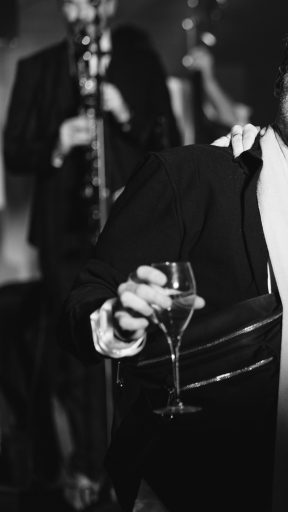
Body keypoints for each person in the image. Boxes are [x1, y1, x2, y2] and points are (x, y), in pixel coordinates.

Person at [61, 1, 288, 511]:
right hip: (200, 490)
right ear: (285, 78)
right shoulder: (191, 177)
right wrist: (120, 321)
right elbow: (83, 306)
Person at [3, 0, 179, 508]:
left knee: (138, 346)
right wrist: (56, 142)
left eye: (95, 0)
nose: (85, 9)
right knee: (77, 354)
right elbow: (14, 149)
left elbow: (169, 139)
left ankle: (136, 467)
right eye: (75, 0)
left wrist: (124, 112)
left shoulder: (139, 62)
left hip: (129, 227)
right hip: (63, 235)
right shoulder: (36, 67)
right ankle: (86, 470)